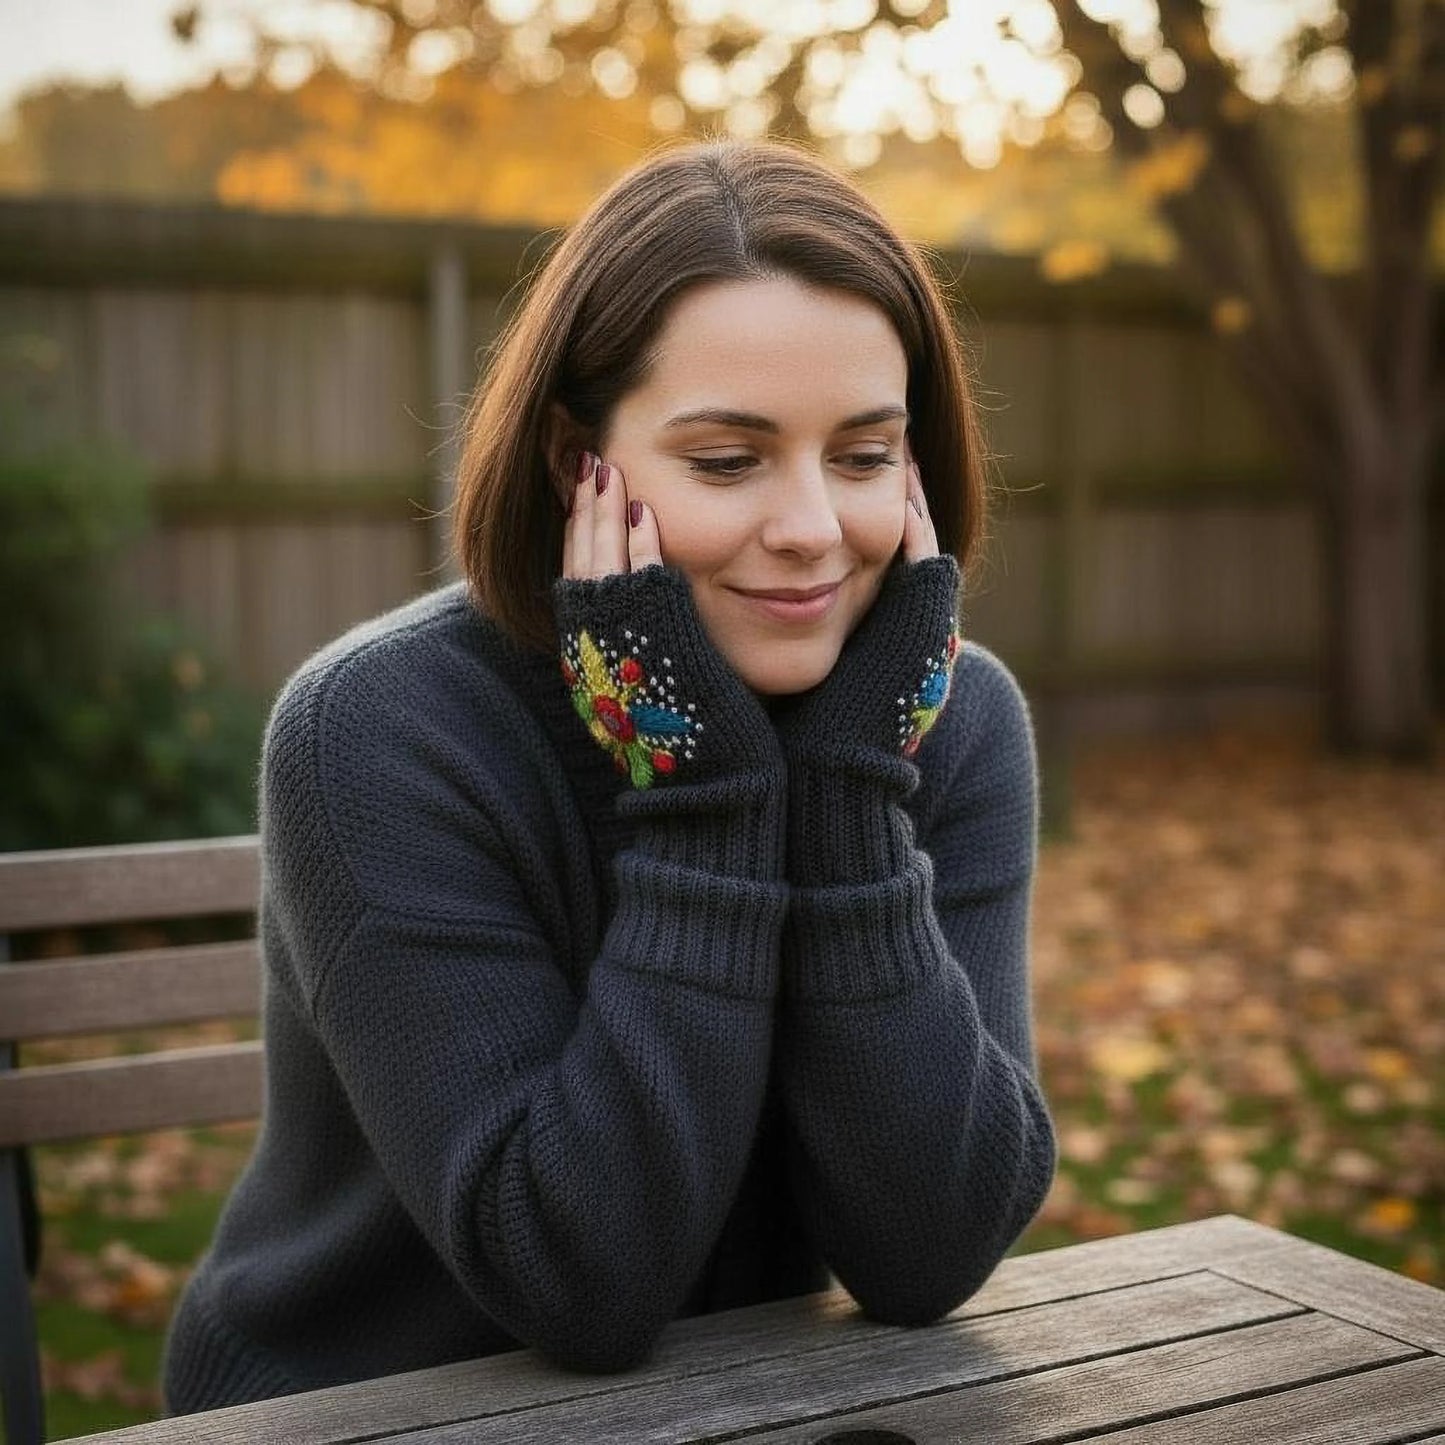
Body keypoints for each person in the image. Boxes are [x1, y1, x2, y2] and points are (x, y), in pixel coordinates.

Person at [161, 137, 1057, 1414]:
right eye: (727, 461)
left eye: (862, 455)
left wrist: (850, 794)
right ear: (572, 460)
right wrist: (697, 790)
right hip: (353, 1406)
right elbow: (578, 1275)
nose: (809, 526)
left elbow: (930, 1251)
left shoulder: (942, 714)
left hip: (754, 1406)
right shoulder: (383, 729)